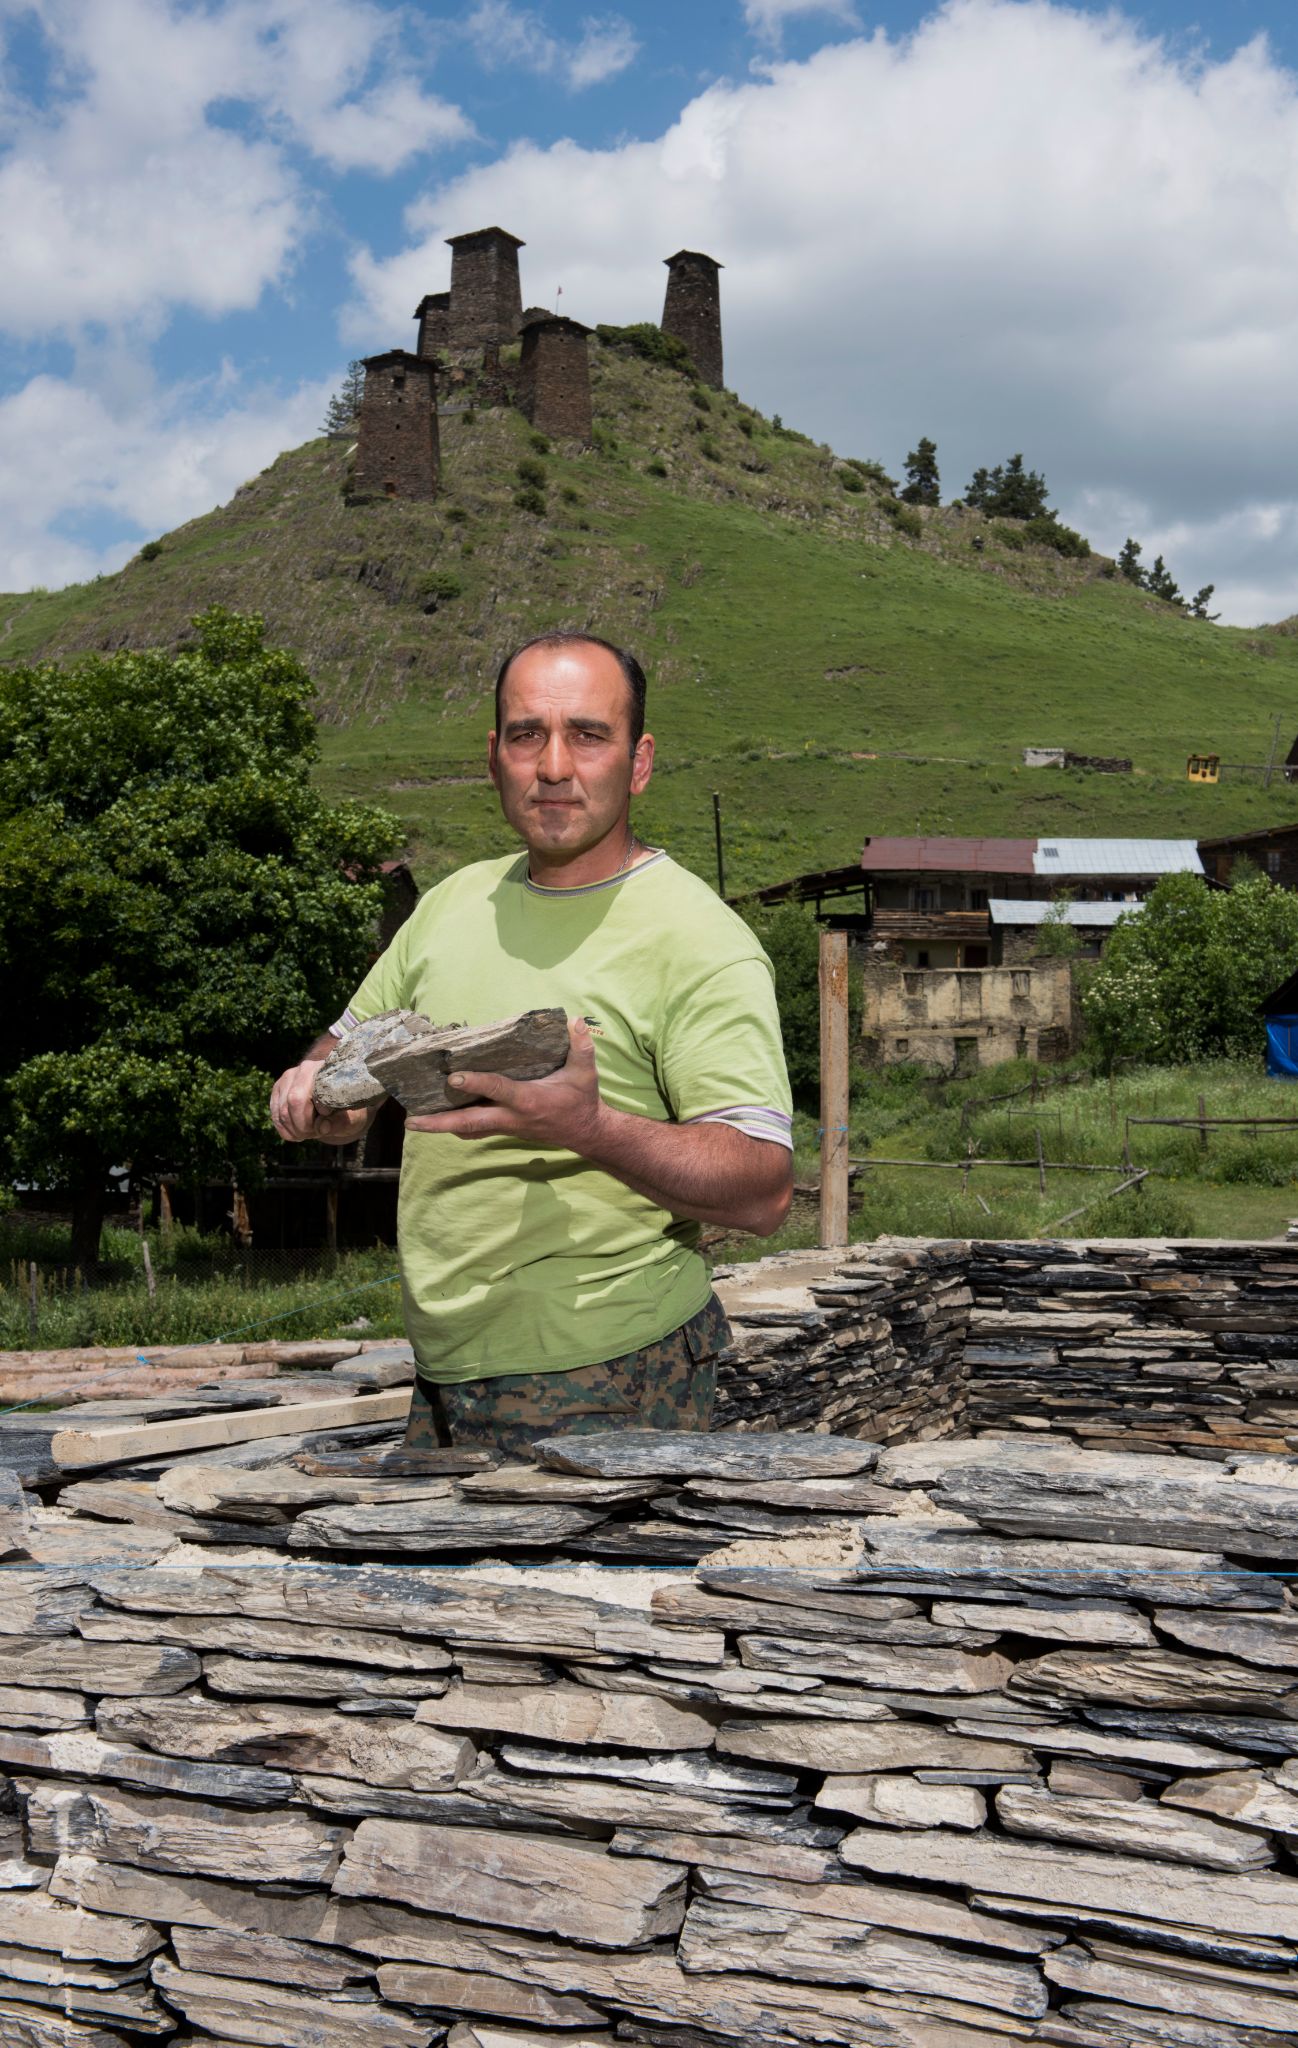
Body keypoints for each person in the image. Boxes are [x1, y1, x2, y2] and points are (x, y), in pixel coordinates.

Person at [269, 631, 793, 1457]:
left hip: (612, 1372)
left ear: (640, 759)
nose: (553, 765)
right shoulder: (450, 904)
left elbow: (762, 1191)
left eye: (588, 734)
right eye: (526, 735)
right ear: (494, 757)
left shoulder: (700, 940)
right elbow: (345, 1060)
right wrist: (320, 1100)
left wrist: (589, 1128)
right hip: (441, 1369)